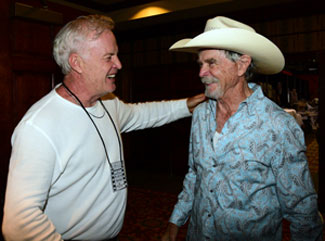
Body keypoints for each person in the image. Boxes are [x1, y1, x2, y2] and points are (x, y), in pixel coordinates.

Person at [2, 15, 205, 240]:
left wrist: (187, 105)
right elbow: (20, 223)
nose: (119, 64)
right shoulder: (40, 126)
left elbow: (143, 114)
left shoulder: (108, 102)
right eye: (109, 57)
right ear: (77, 63)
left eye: (116, 55)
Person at [162, 16, 323, 241]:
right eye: (200, 64)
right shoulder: (200, 115)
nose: (201, 73)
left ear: (241, 65)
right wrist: (175, 220)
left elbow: (301, 209)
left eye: (211, 63)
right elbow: (196, 174)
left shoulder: (277, 125)